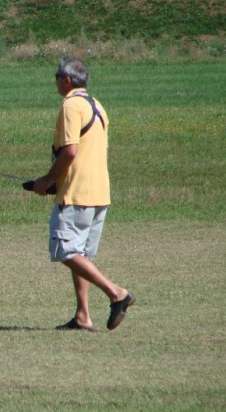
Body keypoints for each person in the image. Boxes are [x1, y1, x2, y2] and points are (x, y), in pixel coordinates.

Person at [33, 57, 135, 331]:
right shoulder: (97, 105)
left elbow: (70, 152)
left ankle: (117, 294)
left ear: (67, 80)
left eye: (56, 75)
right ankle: (83, 316)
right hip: (100, 191)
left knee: (65, 251)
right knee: (82, 257)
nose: (54, 79)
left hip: (77, 193)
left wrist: (46, 180)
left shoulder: (70, 105)